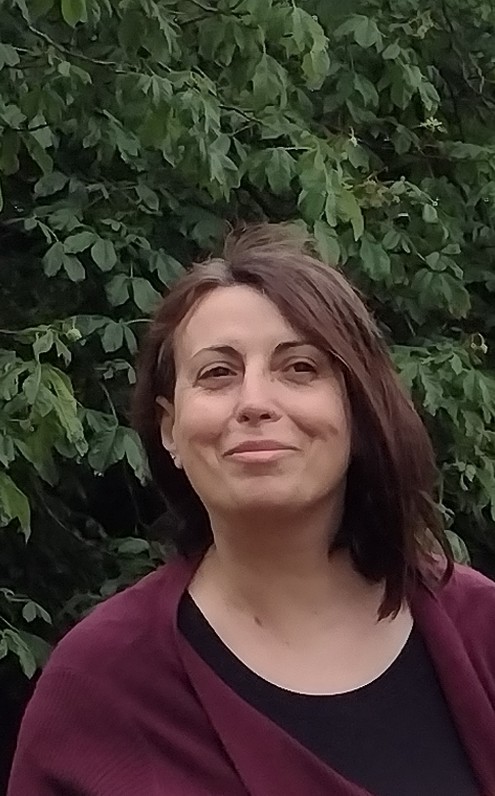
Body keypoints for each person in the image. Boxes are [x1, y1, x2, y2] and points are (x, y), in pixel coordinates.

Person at [8, 224, 495, 796]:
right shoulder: (101, 683)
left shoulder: (480, 629)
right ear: (169, 428)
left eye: (300, 368)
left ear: (358, 409)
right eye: (218, 373)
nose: (255, 403)